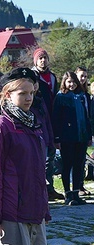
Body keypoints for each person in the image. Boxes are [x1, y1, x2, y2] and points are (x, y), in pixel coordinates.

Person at [0, 67, 51, 245]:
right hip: (11, 214)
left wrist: (43, 208)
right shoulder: (0, 125)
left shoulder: (33, 122)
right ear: (7, 95)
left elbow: (38, 171)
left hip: (34, 211)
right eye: (22, 93)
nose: (29, 98)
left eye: (31, 93)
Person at [52, 71, 92, 206]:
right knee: (67, 165)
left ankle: (76, 192)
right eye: (69, 82)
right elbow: (56, 118)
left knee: (78, 165)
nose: (72, 84)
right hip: (66, 137)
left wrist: (88, 135)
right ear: (64, 82)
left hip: (81, 136)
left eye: (74, 82)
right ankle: (68, 194)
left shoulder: (82, 96)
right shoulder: (60, 97)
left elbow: (87, 117)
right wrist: (56, 138)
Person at [31, 48, 64, 201]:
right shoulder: (32, 76)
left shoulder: (52, 76)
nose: (43, 60)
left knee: (50, 155)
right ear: (35, 61)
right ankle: (39, 189)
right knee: (39, 157)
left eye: (45, 58)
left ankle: (49, 188)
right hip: (38, 118)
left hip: (52, 118)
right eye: (40, 58)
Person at [74, 66, 92, 195]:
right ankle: (75, 188)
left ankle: (81, 185)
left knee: (82, 159)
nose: (83, 78)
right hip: (73, 131)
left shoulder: (86, 94)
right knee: (75, 160)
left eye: (85, 76)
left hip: (84, 130)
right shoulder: (72, 93)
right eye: (81, 76)